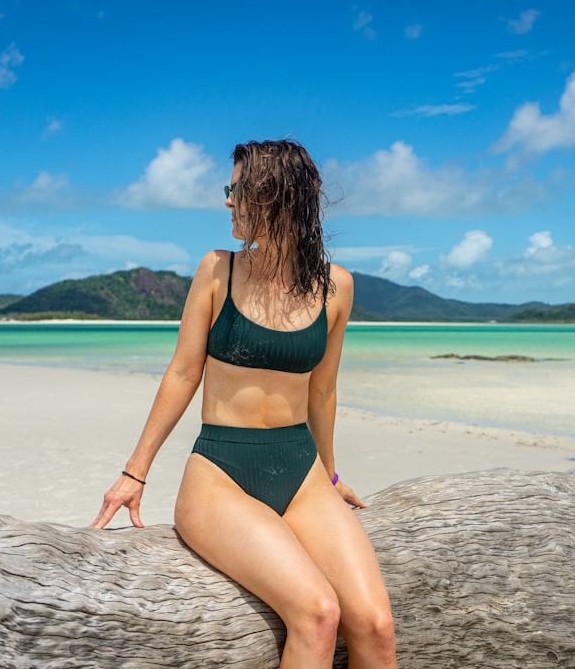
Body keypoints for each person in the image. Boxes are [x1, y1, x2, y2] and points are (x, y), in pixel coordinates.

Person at [92, 139, 397, 668]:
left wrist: (329, 474)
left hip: (300, 474)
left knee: (375, 626)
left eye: (236, 189)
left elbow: (322, 391)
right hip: (220, 476)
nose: (227, 202)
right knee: (318, 614)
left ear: (274, 197)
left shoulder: (336, 286)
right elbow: (184, 372)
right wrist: (134, 473)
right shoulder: (218, 270)